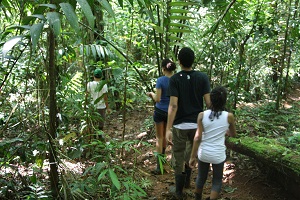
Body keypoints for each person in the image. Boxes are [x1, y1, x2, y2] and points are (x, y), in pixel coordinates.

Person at [166, 47, 211, 199]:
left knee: (178, 155)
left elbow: (173, 105)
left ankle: (179, 191)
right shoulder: (202, 77)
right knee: (191, 153)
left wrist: (168, 128)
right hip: (196, 124)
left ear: (179, 61)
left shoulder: (175, 79)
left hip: (179, 125)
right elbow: (209, 103)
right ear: (193, 60)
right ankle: (187, 183)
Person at [189, 86, 237, 200]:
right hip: (218, 155)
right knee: (216, 181)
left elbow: (197, 138)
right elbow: (233, 134)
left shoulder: (202, 115)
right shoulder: (229, 116)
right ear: (224, 100)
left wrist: (192, 156)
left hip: (204, 153)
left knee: (201, 177)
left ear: (211, 99)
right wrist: (225, 130)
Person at [147, 59, 176, 175]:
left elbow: (157, 98)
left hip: (159, 111)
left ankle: (159, 166)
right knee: (168, 136)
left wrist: (151, 94)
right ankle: (173, 163)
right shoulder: (176, 80)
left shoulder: (160, 80)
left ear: (163, 68)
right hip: (171, 112)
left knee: (159, 137)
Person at [87, 68, 110, 138]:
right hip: (101, 107)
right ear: (101, 76)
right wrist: (107, 107)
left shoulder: (89, 84)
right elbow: (105, 97)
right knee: (101, 123)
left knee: (93, 123)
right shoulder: (103, 84)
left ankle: (94, 137)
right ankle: (100, 137)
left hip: (92, 106)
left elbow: (87, 95)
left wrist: (85, 105)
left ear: (93, 75)